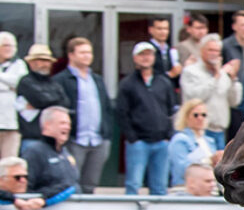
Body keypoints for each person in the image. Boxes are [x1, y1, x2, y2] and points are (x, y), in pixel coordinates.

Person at [117, 41, 178, 196]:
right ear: (135, 58)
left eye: (149, 54)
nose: (146, 58)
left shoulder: (163, 82)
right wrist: (132, 138)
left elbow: (171, 110)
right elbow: (122, 113)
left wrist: (168, 135)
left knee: (160, 187)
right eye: (142, 54)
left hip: (161, 142)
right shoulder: (127, 84)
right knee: (133, 184)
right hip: (139, 143)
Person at [54, 37, 112, 194]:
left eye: (89, 52)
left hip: (97, 140)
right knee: (70, 182)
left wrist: (107, 134)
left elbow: (106, 107)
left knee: (90, 184)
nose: (87, 56)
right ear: (71, 55)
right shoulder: (61, 80)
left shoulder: (97, 79)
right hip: (75, 139)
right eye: (82, 53)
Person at [181, 34, 243, 146]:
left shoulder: (223, 74)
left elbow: (234, 102)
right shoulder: (190, 71)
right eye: (210, 50)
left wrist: (233, 79)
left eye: (217, 51)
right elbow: (195, 97)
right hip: (199, 131)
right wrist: (215, 77)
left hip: (220, 131)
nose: (214, 54)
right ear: (201, 50)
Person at [18, 106, 81, 210]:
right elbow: (25, 188)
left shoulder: (65, 152)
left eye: (69, 124)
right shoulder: (34, 152)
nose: (68, 127)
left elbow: (72, 184)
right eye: (62, 123)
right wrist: (43, 200)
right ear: (47, 125)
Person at [14, 44, 70, 155]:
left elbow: (66, 103)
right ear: (31, 63)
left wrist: (46, 103)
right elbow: (40, 100)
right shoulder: (25, 82)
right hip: (32, 139)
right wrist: (53, 103)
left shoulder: (54, 83)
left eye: (47, 61)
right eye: (41, 60)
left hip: (53, 140)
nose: (45, 64)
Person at [167, 99, 224, 187]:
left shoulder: (209, 141)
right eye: (196, 115)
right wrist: (209, 160)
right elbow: (181, 170)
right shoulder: (180, 139)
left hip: (210, 188)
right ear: (186, 117)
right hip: (186, 189)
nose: (200, 118)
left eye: (204, 115)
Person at [0, 31, 27, 158]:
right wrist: (8, 86)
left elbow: (19, 83)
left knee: (9, 162)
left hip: (12, 124)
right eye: (6, 45)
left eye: (12, 46)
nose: (10, 49)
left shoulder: (19, 65)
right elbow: (12, 83)